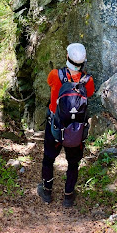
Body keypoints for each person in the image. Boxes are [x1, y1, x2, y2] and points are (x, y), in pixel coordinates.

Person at [37, 42, 95, 208]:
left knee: (48, 158)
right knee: (73, 163)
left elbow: (49, 83)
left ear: (67, 57)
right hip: (76, 129)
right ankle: (68, 196)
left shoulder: (56, 75)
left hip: (55, 125)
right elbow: (89, 93)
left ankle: (47, 191)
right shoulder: (87, 80)